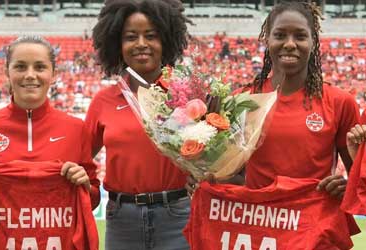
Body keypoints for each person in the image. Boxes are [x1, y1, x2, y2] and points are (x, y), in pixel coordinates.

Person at [186, 0, 360, 245]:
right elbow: (233, 175)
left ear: (313, 41)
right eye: (280, 35)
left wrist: (344, 185)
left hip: (312, 230)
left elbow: (358, 181)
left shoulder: (340, 102)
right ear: (267, 39)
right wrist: (206, 181)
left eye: (300, 36)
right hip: (258, 230)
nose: (290, 44)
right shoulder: (241, 101)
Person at [86, 0, 191, 249]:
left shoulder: (186, 96)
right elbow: (78, 158)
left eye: (151, 36)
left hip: (178, 217)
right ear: (117, 45)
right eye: (131, 37)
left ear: (166, 40)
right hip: (122, 220)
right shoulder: (103, 101)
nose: (141, 44)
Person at [0, 35, 100, 209]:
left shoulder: (76, 128)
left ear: (53, 74)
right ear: (6, 72)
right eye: (20, 67)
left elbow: (93, 199)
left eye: (40, 67)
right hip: (0, 236)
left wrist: (84, 184)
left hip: (60, 236)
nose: (30, 75)